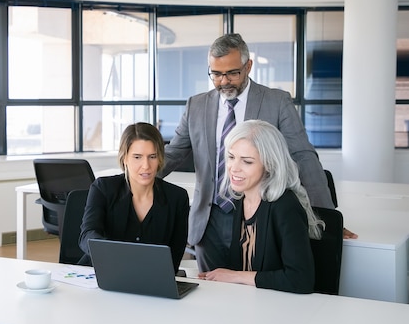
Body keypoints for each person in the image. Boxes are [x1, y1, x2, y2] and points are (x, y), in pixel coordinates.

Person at [160, 33, 356, 272]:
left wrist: (327, 217)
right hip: (210, 221)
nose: (224, 82)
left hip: (260, 216)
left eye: (232, 73)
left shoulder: (276, 101)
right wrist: (140, 174)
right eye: (216, 74)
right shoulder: (196, 105)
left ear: (248, 66)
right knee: (212, 293)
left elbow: (303, 156)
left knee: (257, 291)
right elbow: (175, 152)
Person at [201, 120, 322, 294]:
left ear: (269, 165)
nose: (234, 168)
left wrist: (235, 276)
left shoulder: (285, 206)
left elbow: (300, 280)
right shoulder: (242, 200)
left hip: (281, 308)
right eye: (231, 157)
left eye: (247, 162)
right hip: (251, 302)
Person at [78, 122, 189, 271]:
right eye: (137, 157)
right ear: (125, 158)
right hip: (100, 272)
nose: (146, 165)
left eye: (152, 156)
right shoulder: (103, 189)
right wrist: (112, 253)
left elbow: (174, 258)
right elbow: (87, 235)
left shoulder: (177, 198)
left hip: (150, 279)